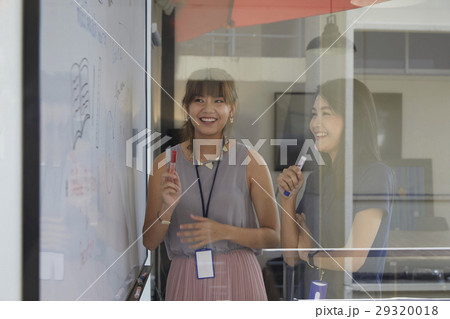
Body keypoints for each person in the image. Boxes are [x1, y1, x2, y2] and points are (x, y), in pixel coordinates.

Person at [142, 68, 280, 301]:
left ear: (231, 109)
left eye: (218, 101)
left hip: (240, 278)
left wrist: (221, 231)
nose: (208, 109)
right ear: (186, 107)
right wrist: (166, 208)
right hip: (186, 279)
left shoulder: (251, 162)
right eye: (198, 100)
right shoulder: (165, 163)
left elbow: (273, 237)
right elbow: (149, 241)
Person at [277, 78, 393, 299]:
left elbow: (353, 259)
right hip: (312, 297)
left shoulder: (375, 174)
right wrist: (287, 200)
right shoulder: (316, 179)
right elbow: (291, 256)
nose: (315, 123)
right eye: (314, 114)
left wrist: (310, 254)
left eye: (326, 113)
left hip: (353, 302)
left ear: (353, 120)